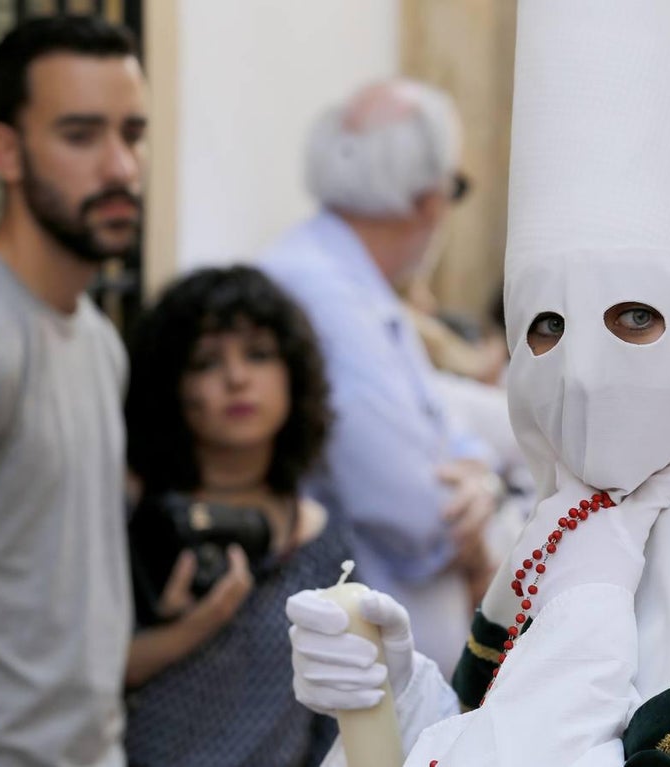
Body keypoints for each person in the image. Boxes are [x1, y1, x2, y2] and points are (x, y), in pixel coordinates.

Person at [286, 3, 670, 765]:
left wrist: (582, 625)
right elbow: (493, 731)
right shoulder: (559, 544)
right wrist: (401, 699)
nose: (580, 371)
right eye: (546, 327)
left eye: (635, 317)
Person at [0, 16, 145, 766]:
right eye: (81, 135)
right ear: (4, 150)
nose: (120, 167)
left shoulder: (99, 339)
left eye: (132, 133)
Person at [261, 79, 501, 675]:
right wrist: (474, 514)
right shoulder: (322, 294)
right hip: (365, 675)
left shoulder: (357, 285)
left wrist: (480, 481)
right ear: (428, 199)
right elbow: (417, 512)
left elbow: (449, 427)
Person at [122, 265, 345, 767]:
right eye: (205, 362)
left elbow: (336, 714)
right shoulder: (134, 520)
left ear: (294, 374)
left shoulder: (319, 536)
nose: (237, 378)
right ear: (170, 386)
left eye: (259, 355)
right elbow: (84, 680)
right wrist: (186, 631)